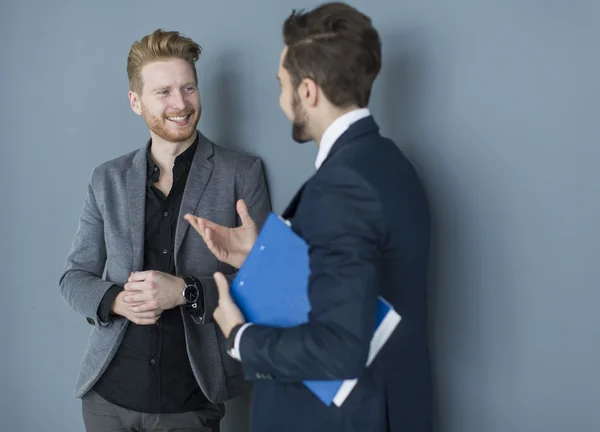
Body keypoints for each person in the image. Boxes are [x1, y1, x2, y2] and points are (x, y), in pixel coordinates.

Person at [185, 3, 432, 431]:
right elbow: (356, 288)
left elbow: (339, 349)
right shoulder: (388, 163)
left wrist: (238, 335)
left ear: (308, 91)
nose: (281, 97)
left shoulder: (343, 185)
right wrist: (259, 254)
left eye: (282, 84)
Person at [59, 29, 271, 432]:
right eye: (164, 92)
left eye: (188, 87)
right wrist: (117, 301)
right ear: (135, 102)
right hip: (106, 398)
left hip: (190, 399)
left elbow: (264, 284)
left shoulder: (242, 174)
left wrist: (186, 292)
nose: (181, 104)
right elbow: (74, 277)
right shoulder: (107, 178)